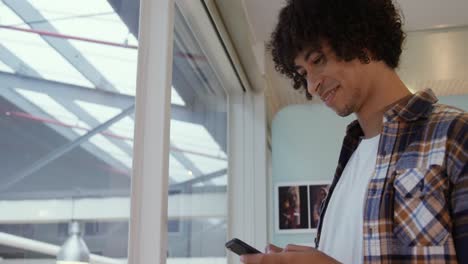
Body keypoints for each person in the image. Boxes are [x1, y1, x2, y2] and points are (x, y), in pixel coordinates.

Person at [241, 0, 467, 263]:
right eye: (303, 73)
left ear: (362, 39)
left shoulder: (456, 134)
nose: (312, 86)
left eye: (318, 60)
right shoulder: (349, 161)